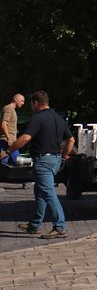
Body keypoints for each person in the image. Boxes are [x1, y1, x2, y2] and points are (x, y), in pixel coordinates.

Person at [1, 91, 74, 239]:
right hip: (55, 160)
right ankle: (35, 225)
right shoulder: (59, 118)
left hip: (43, 161)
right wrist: (64, 153)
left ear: (35, 103)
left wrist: (8, 151)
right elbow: (71, 139)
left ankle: (60, 227)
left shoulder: (38, 118)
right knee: (40, 193)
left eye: (31, 103)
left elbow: (26, 137)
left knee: (48, 193)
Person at [1, 93, 25, 162]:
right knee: (20, 161)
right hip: (7, 142)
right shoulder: (9, 108)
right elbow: (3, 124)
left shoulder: (12, 110)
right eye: (22, 100)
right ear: (15, 99)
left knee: (5, 164)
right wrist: (9, 139)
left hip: (9, 142)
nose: (23, 103)